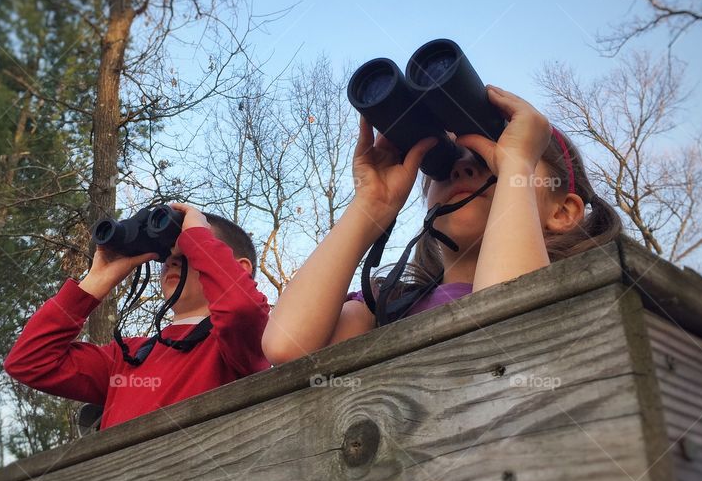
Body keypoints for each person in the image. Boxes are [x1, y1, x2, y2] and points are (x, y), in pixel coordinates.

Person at [262, 85, 621, 364]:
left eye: (491, 156)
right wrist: (373, 203)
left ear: (561, 212)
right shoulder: (382, 310)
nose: (462, 167)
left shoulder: (583, 303)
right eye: (445, 161)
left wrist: (515, 168)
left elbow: (511, 334)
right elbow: (285, 346)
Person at [4, 203, 271, 430]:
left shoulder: (242, 341)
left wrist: (197, 234)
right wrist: (95, 282)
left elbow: (240, 308)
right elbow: (29, 361)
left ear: (239, 269)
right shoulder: (128, 356)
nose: (173, 261)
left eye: (189, 252)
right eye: (168, 255)